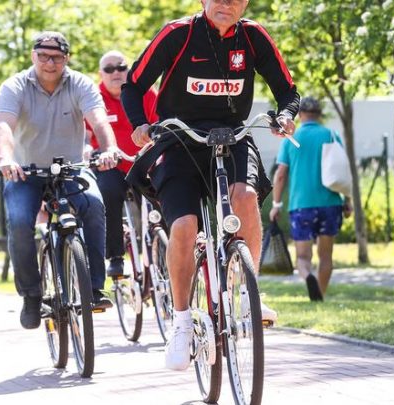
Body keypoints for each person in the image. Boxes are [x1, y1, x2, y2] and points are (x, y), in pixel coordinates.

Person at [122, 0, 299, 370]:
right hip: (178, 139)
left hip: (232, 136)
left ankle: (251, 296)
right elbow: (133, 86)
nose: (226, 4)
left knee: (246, 196)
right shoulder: (177, 34)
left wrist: (284, 116)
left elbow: (288, 91)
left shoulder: (253, 37)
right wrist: (140, 124)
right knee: (184, 227)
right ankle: (182, 322)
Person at [0, 31, 120, 330]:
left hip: (71, 167)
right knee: (20, 222)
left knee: (93, 205)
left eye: (57, 57)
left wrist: (110, 148)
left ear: (67, 59)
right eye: (43, 56)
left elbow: (99, 120)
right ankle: (32, 295)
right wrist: (6, 159)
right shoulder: (15, 86)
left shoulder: (80, 84)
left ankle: (94, 289)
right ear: (33, 56)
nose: (50, 63)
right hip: (25, 171)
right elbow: (5, 127)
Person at [269, 96, 352, 301]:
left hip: (301, 206)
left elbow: (280, 175)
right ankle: (321, 296)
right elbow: (342, 170)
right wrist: (347, 201)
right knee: (326, 257)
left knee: (303, 258)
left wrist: (276, 204)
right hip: (331, 203)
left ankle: (308, 277)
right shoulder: (331, 135)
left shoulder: (292, 138)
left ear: (300, 115)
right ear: (319, 114)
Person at [86, 50, 159, 278]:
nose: (115, 73)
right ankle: (116, 257)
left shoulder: (145, 94)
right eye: (109, 69)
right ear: (101, 74)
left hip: (144, 164)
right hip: (112, 165)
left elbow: (160, 126)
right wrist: (88, 152)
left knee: (164, 195)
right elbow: (85, 138)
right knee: (108, 192)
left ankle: (164, 249)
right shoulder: (94, 98)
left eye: (121, 67)